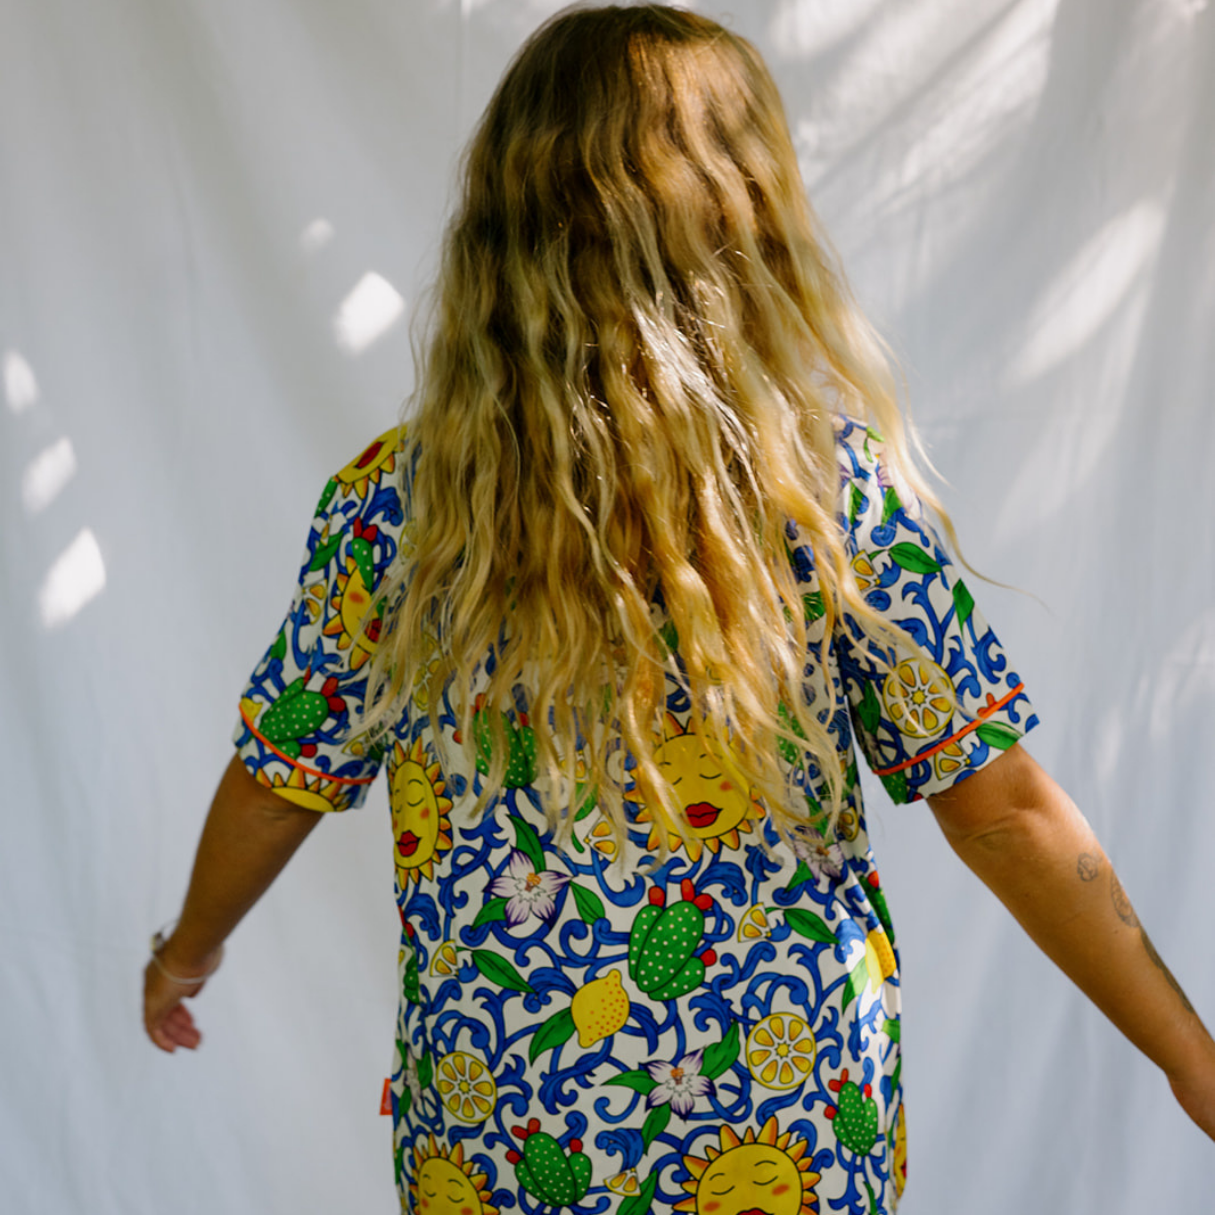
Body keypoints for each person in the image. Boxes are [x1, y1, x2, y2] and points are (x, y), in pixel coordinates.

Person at [143, 5, 1215, 1212]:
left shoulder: (399, 510)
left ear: (502, 232)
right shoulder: (826, 500)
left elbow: (279, 778)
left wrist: (187, 952)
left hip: (504, 1128)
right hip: (787, 1118)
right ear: (746, 220)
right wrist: (1190, 1056)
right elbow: (1005, 815)